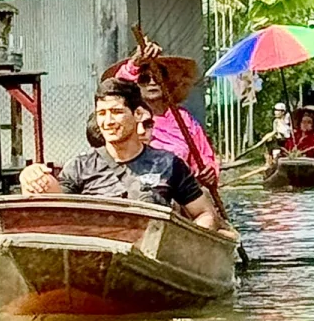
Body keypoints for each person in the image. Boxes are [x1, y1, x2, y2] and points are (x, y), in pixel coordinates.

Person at [20, 78, 220, 228]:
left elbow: (204, 214)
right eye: (102, 114)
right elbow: (56, 214)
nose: (108, 122)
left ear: (137, 114)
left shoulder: (169, 164)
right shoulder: (79, 167)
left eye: (116, 112)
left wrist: (181, 246)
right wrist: (31, 178)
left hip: (152, 260)